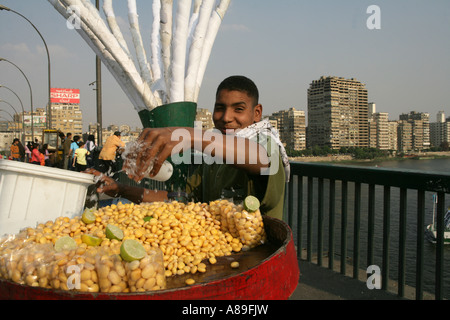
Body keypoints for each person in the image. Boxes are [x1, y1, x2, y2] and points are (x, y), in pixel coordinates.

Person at [88, 76, 289, 220]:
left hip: (259, 263)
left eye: (238, 109)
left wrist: (190, 135)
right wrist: (120, 189)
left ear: (257, 113)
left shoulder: (265, 142)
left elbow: (262, 158)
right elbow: (180, 201)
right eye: (220, 108)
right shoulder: (212, 158)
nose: (226, 118)